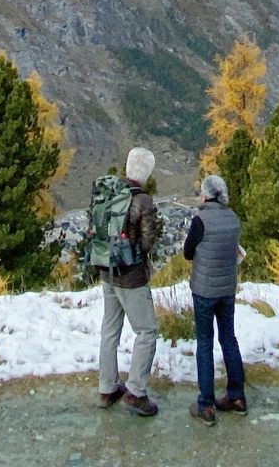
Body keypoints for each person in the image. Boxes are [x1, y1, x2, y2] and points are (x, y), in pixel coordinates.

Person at [97, 147, 163, 417]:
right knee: (146, 331)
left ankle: (107, 387)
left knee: (110, 329)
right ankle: (136, 391)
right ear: (146, 173)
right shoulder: (143, 201)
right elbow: (147, 242)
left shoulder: (108, 192)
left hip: (107, 271)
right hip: (132, 277)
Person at [181, 173, 246, 424]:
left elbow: (188, 253)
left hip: (204, 290)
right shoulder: (233, 219)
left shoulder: (200, 220)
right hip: (227, 289)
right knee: (229, 339)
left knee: (205, 342)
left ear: (206, 194)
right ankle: (237, 395)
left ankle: (206, 405)